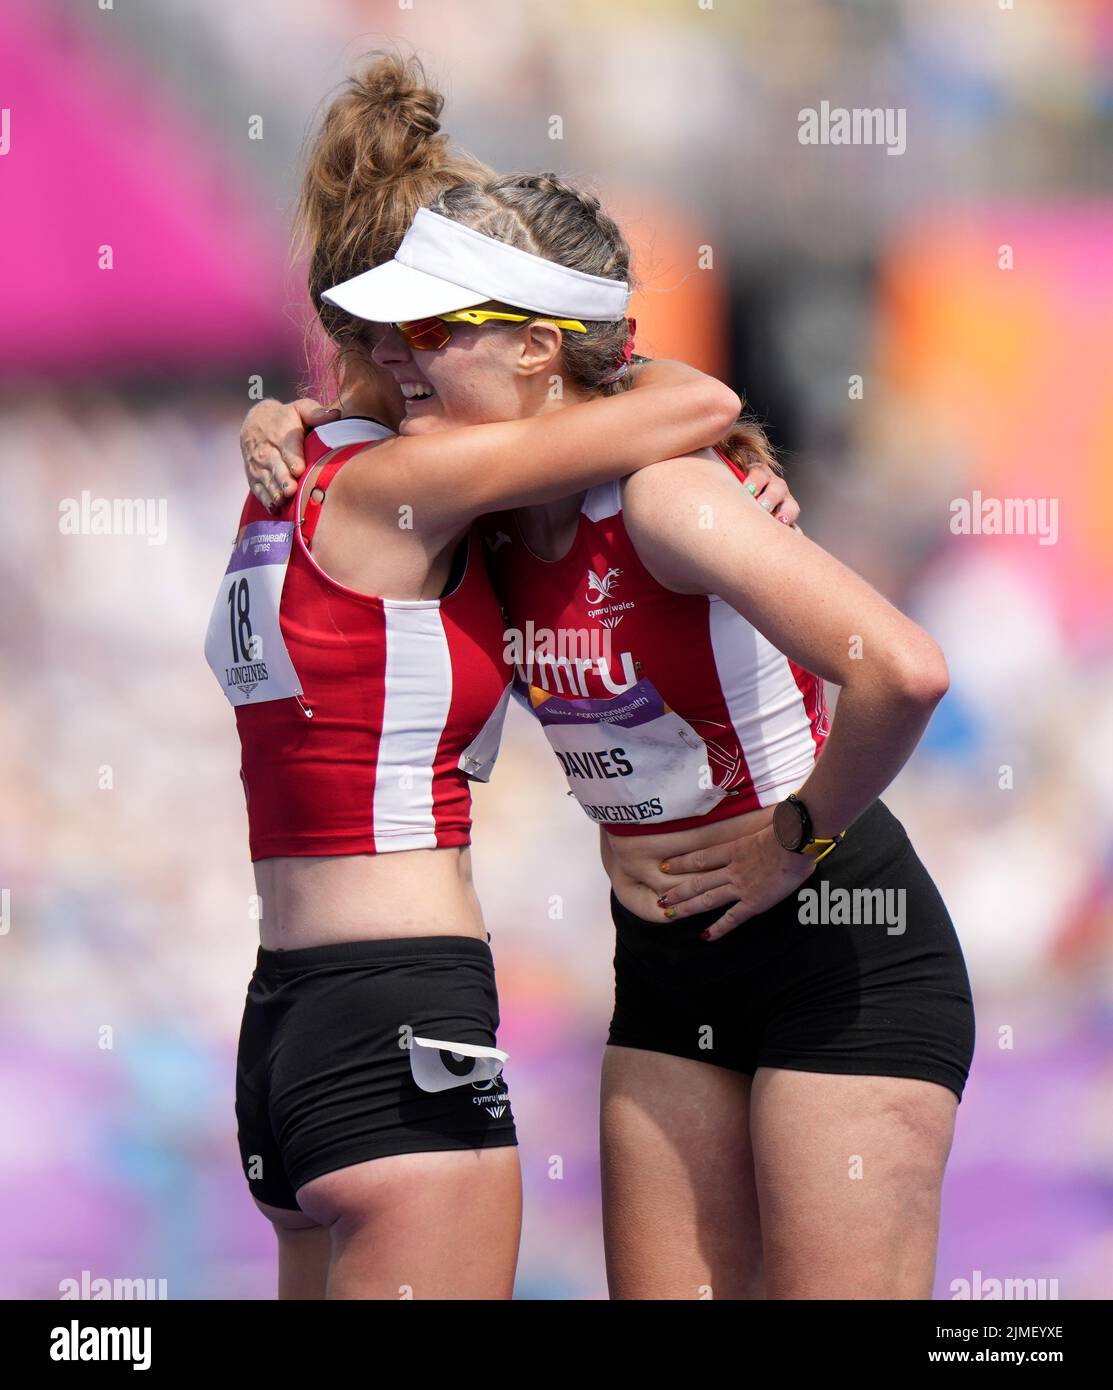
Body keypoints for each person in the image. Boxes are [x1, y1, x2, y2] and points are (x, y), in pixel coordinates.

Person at [242, 59, 974, 1301]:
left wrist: (794, 839)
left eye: (436, 334)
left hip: (840, 938)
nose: (398, 362)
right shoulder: (474, 524)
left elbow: (905, 670)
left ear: (537, 350)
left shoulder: (664, 494)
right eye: (393, 336)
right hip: (670, 956)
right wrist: (280, 418)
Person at [206, 56, 744, 1301]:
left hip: (282, 1025)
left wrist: (285, 406)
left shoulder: (287, 475)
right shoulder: (407, 487)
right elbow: (687, 394)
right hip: (400, 1008)